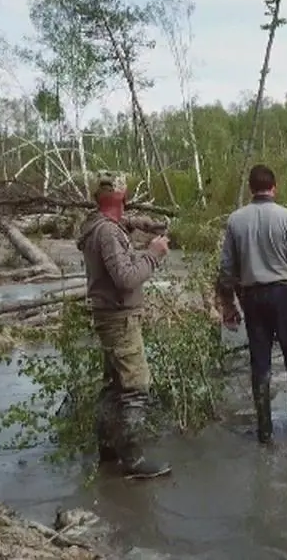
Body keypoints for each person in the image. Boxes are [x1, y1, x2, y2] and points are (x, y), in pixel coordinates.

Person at [217, 164, 287, 444]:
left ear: (251, 188)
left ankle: (265, 430)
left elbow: (226, 268)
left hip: (252, 298)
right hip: (283, 295)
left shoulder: (236, 220)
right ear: (274, 187)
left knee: (260, 363)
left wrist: (228, 305)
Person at [77, 172, 172, 480]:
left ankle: (107, 451)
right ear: (122, 196)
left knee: (113, 385)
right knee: (134, 387)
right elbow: (126, 278)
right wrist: (154, 255)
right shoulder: (107, 232)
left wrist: (138, 224)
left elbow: (116, 226)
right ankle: (133, 460)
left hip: (108, 315)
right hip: (120, 318)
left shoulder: (97, 224)